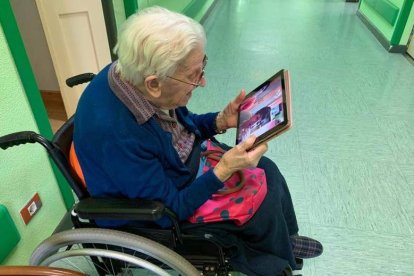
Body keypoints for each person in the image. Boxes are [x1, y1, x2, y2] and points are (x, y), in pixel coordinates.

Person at [71, 6, 322, 275]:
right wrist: (223, 169)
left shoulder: (134, 73)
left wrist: (220, 121)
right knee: (257, 201)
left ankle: (283, 240)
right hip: (164, 205)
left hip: (180, 164)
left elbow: (182, 128)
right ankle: (274, 260)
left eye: (202, 66)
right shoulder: (118, 135)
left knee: (267, 169)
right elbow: (171, 211)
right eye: (194, 75)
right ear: (154, 83)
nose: (202, 82)